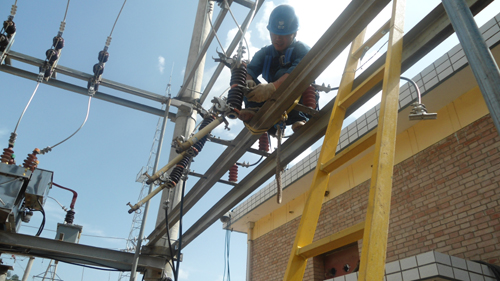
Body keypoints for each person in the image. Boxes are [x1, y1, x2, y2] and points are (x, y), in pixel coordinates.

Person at [239, 4, 317, 133]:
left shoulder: (302, 50)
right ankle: (254, 111)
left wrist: (273, 87)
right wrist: (248, 81)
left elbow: (297, 73)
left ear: (294, 33)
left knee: (284, 74)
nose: (278, 38)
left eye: (284, 35)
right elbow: (249, 71)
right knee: (243, 79)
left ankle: (301, 119)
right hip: (273, 103)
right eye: (274, 33)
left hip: (298, 100)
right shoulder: (265, 53)